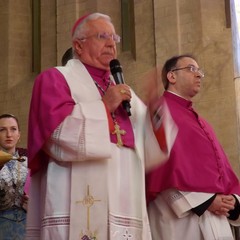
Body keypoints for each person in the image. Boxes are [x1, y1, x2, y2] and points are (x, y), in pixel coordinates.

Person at [25, 12, 175, 240]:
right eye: (102, 36)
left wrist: (155, 110)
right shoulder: (55, 78)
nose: (111, 44)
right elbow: (56, 136)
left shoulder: (125, 90)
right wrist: (104, 106)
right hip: (75, 196)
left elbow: (152, 149)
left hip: (125, 200)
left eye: (114, 38)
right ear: (78, 45)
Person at [146, 54, 240, 240]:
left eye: (199, 71)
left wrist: (233, 200)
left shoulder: (201, 122)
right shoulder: (158, 113)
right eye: (191, 69)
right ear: (171, 76)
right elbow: (158, 169)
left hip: (216, 218)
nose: (198, 75)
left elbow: (222, 171)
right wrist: (205, 201)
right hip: (180, 219)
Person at [0, 114, 29, 240]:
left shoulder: (31, 162)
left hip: (27, 224)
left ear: (19, 134)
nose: (9, 134)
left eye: (13, 129)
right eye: (2, 130)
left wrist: (34, 203)